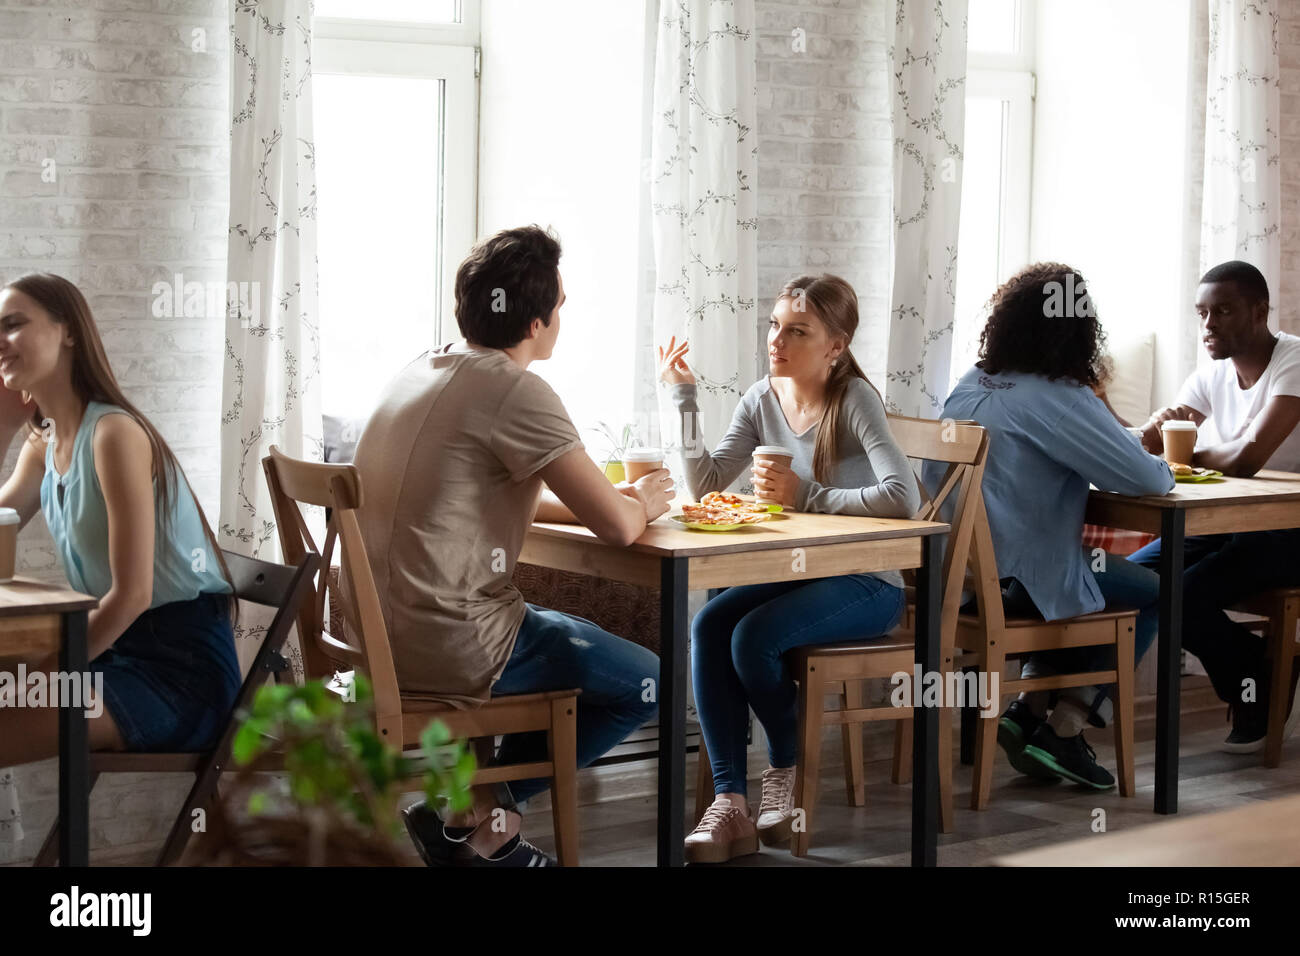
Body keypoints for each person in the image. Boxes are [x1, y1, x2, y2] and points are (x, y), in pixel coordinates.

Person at [351, 225, 669, 867]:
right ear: (536, 320)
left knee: (561, 630)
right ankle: (485, 818)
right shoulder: (517, 392)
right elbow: (618, 527)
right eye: (560, 305)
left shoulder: (421, 369)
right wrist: (646, 499)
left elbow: (472, 498)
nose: (561, 318)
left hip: (377, 637)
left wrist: (611, 506)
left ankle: (464, 820)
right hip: (452, 644)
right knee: (650, 680)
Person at [660, 274, 921, 863]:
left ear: (836, 347)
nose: (777, 340)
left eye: (797, 330)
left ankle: (783, 765)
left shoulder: (853, 400)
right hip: (799, 572)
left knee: (753, 637)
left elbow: (902, 497)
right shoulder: (762, 397)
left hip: (867, 581)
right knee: (708, 625)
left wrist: (807, 494)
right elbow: (702, 483)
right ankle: (730, 802)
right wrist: (682, 398)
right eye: (775, 326)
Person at [933, 263, 1175, 790]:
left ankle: (1026, 710)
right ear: (1079, 332)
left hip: (955, 580)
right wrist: (1154, 450)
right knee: (1160, 590)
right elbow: (1149, 480)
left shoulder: (973, 380)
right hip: (1015, 581)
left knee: (1087, 578)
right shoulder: (1060, 397)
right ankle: (1063, 729)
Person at [0, 273, 238, 769]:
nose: (0, 341)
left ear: (68, 331)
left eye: (13, 324)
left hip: (179, 672)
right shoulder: (43, 445)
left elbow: (133, 596)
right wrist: (3, 426)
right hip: (109, 654)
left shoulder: (112, 434)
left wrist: (46, 677)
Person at [1125, 260, 1300, 752]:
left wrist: (1184, 454)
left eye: (1223, 311)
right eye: (1202, 313)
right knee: (1132, 580)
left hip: (1291, 529)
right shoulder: (1208, 376)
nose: (1209, 325)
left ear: (1260, 311)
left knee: (1183, 593)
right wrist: (1156, 428)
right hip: (1230, 522)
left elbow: (1247, 457)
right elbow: (1148, 450)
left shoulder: (1293, 361)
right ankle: (1257, 668)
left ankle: (1255, 679)